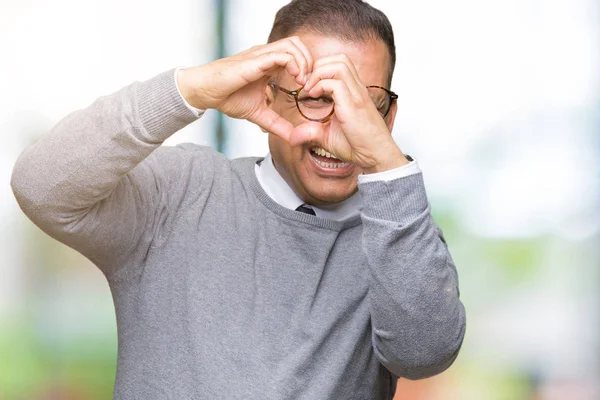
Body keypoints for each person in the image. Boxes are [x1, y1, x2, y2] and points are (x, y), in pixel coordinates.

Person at [11, 0, 466, 398]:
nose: (337, 129)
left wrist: (388, 165)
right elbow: (43, 186)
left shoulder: (402, 241)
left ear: (388, 116)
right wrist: (187, 90)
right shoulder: (180, 191)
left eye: (363, 105)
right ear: (269, 92)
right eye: (316, 98)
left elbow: (423, 355)